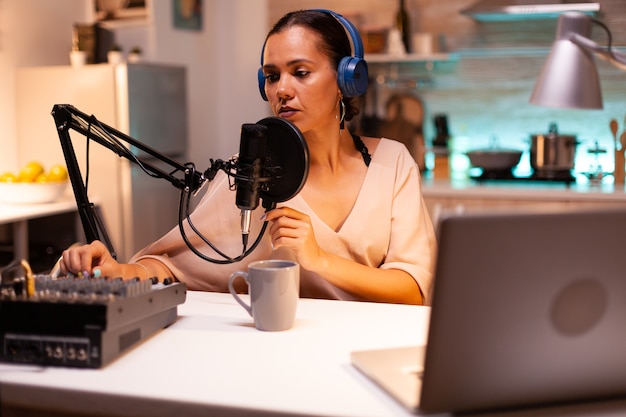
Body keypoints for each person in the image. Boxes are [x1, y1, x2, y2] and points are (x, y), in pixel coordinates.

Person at [59, 9, 437, 305]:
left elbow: (413, 289)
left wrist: (319, 258)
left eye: (301, 72)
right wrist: (117, 271)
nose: (282, 90)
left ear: (346, 80)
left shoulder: (392, 163)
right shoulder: (250, 170)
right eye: (272, 76)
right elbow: (174, 266)